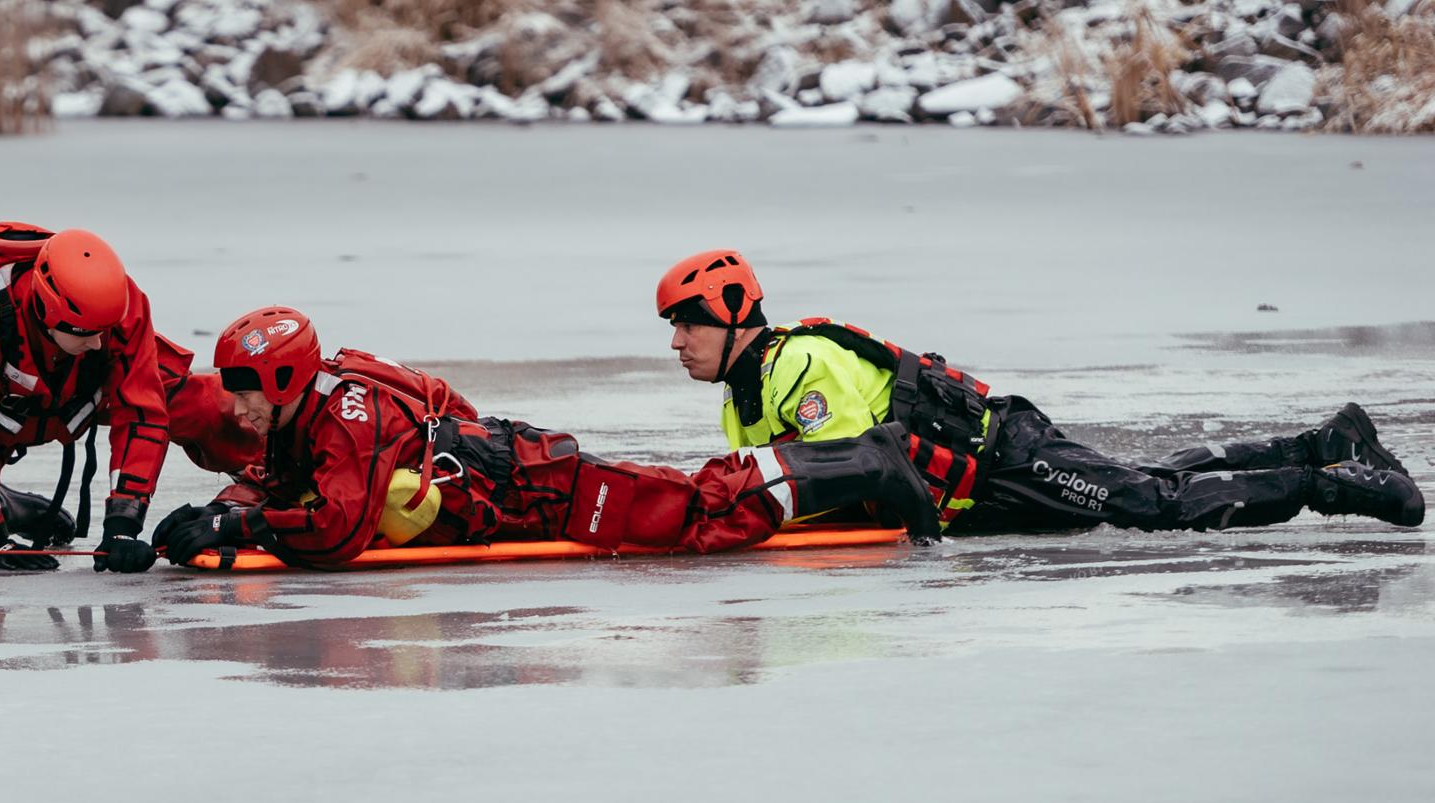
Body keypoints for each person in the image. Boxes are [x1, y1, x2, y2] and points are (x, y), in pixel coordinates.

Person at [655, 248, 1425, 534]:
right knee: (1146, 480)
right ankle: (1322, 441)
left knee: (1151, 506)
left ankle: (1338, 486)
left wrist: (918, 545)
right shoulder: (740, 399)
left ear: (728, 313)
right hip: (978, 495)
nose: (677, 343)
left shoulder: (800, 365)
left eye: (687, 324)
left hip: (1000, 457)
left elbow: (873, 458)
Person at [149, 306, 943, 569]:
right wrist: (224, 504)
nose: (237, 411)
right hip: (508, 476)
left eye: (245, 394)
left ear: (285, 383)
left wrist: (234, 525)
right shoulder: (310, 408)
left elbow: (338, 527)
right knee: (692, 504)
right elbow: (284, 476)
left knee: (698, 516)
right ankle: (846, 467)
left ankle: (860, 461)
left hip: (543, 490)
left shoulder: (348, 417)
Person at [0, 222, 261, 572]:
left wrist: (123, 523)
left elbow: (142, 415)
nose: (100, 343)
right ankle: (7, 505)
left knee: (214, 406)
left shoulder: (122, 305)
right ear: (46, 312)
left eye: (106, 331)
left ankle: (273, 474)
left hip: (84, 391)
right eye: (87, 333)